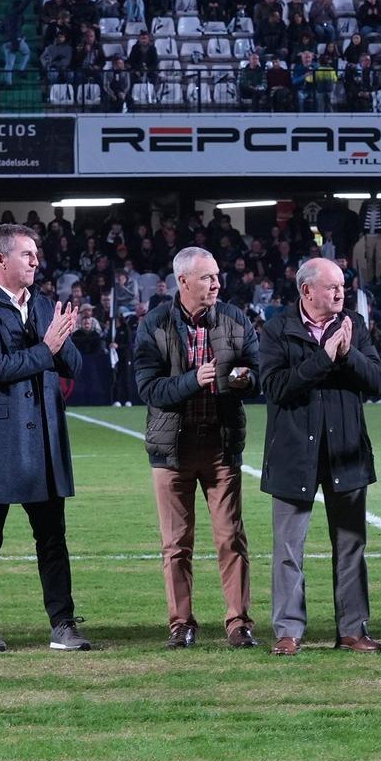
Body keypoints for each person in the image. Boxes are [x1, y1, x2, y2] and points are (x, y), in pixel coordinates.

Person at [0, 223, 93, 654]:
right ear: (1, 260)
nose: (36, 261)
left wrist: (63, 338)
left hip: (45, 437)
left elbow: (73, 367)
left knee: (53, 537)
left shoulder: (45, 305)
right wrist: (46, 347)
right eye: (27, 254)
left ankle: (63, 621)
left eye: (36, 254)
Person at [133, 247, 260, 650]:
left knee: (231, 538)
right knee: (176, 545)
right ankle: (181, 624)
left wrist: (246, 378)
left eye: (217, 276)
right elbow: (147, 389)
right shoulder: (153, 325)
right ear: (183, 282)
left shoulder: (236, 319)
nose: (217, 284)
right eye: (208, 278)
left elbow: (259, 371)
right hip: (172, 450)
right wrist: (193, 380)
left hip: (221, 445)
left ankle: (239, 623)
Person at [258, 257, 381, 655]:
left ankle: (352, 630)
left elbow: (378, 381)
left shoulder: (354, 326)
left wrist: (347, 355)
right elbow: (276, 387)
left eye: (342, 286)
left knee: (351, 545)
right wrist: (323, 358)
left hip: (345, 452)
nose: (339, 292)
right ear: (306, 290)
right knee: (288, 549)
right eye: (331, 286)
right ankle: (288, 632)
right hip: (294, 454)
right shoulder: (277, 329)